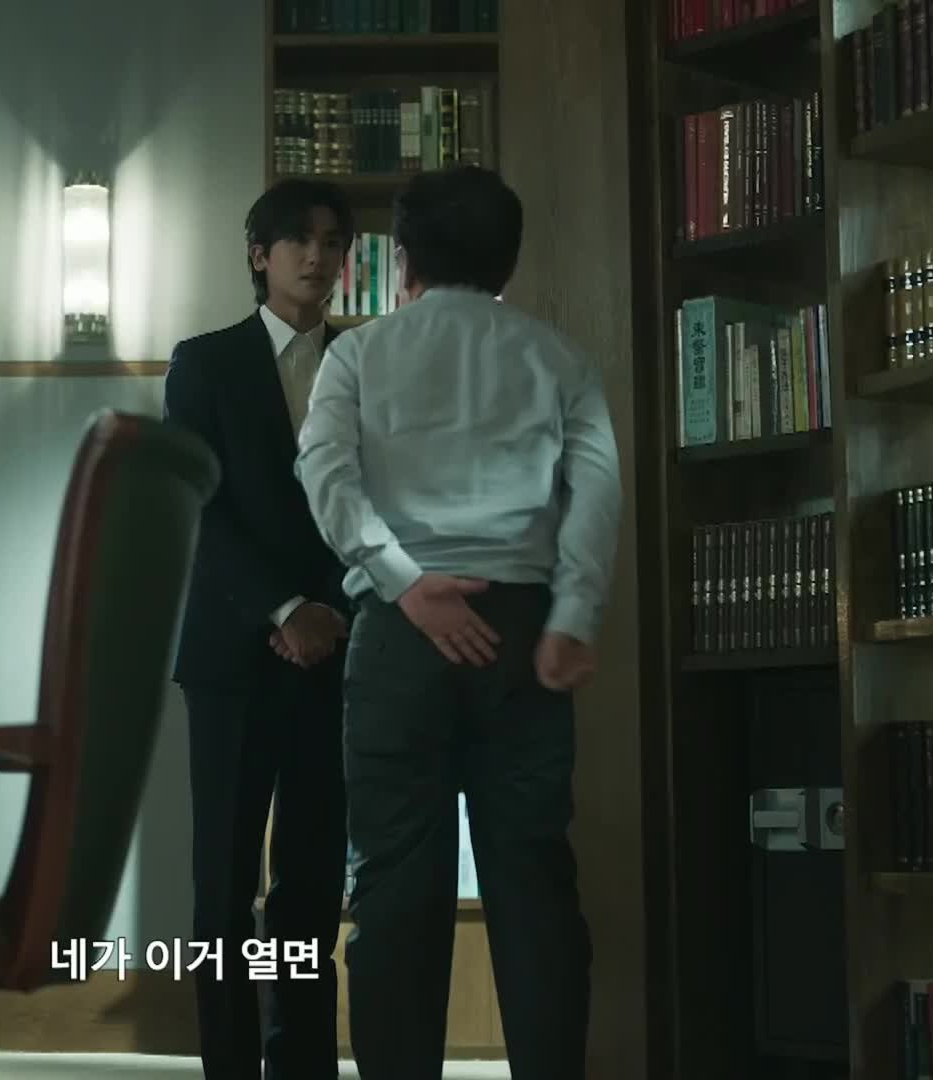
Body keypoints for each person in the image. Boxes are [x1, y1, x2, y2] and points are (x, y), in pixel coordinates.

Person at [293, 165, 620, 1080]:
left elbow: (324, 472)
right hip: (522, 630)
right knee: (535, 883)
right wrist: (573, 612)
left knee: (394, 885)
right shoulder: (559, 357)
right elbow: (596, 490)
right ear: (508, 261)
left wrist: (402, 582)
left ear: (401, 260)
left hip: (399, 635)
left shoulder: (357, 355)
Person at [163, 177, 357, 1080]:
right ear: (258, 254)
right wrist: (284, 609)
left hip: (335, 653)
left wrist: (329, 613)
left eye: (331, 242)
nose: (316, 257)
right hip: (233, 658)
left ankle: (302, 1064)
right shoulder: (205, 363)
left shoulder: (365, 361)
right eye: (297, 241)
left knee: (311, 887)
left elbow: (381, 501)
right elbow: (195, 505)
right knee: (223, 888)